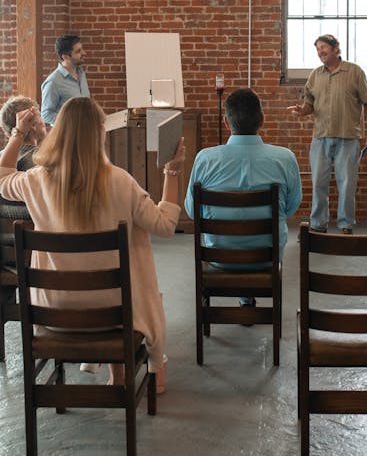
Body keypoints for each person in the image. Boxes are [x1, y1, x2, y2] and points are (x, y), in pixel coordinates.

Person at [0, 97, 185, 391]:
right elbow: (165, 226)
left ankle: (118, 375)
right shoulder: (121, 182)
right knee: (139, 286)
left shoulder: (36, 181)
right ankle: (154, 366)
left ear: (59, 132)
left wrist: (18, 133)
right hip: (114, 313)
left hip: (53, 313)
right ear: (100, 131)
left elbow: (3, 175)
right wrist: (172, 170)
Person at [184, 88, 302, 309]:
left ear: (226, 123)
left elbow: (192, 211)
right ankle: (246, 297)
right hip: (267, 255)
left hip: (219, 256)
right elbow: (290, 207)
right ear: (262, 120)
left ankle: (244, 297)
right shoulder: (285, 158)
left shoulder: (205, 159)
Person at [288, 34, 367, 234]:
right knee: (319, 182)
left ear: (336, 48)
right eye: (317, 49)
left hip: (348, 138)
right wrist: (302, 111)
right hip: (320, 138)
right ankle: (318, 224)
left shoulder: (355, 72)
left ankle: (346, 224)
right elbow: (309, 105)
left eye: (324, 47)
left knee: (347, 184)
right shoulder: (314, 75)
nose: (320, 52)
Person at [0, 96, 47, 220]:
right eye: (41, 116)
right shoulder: (43, 163)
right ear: (31, 124)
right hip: (37, 236)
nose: (45, 122)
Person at [41, 35, 90, 126]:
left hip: (84, 132)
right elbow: (46, 114)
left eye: (81, 49)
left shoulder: (81, 73)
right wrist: (70, 122)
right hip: (66, 137)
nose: (84, 53)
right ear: (65, 57)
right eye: (78, 51)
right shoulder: (53, 82)